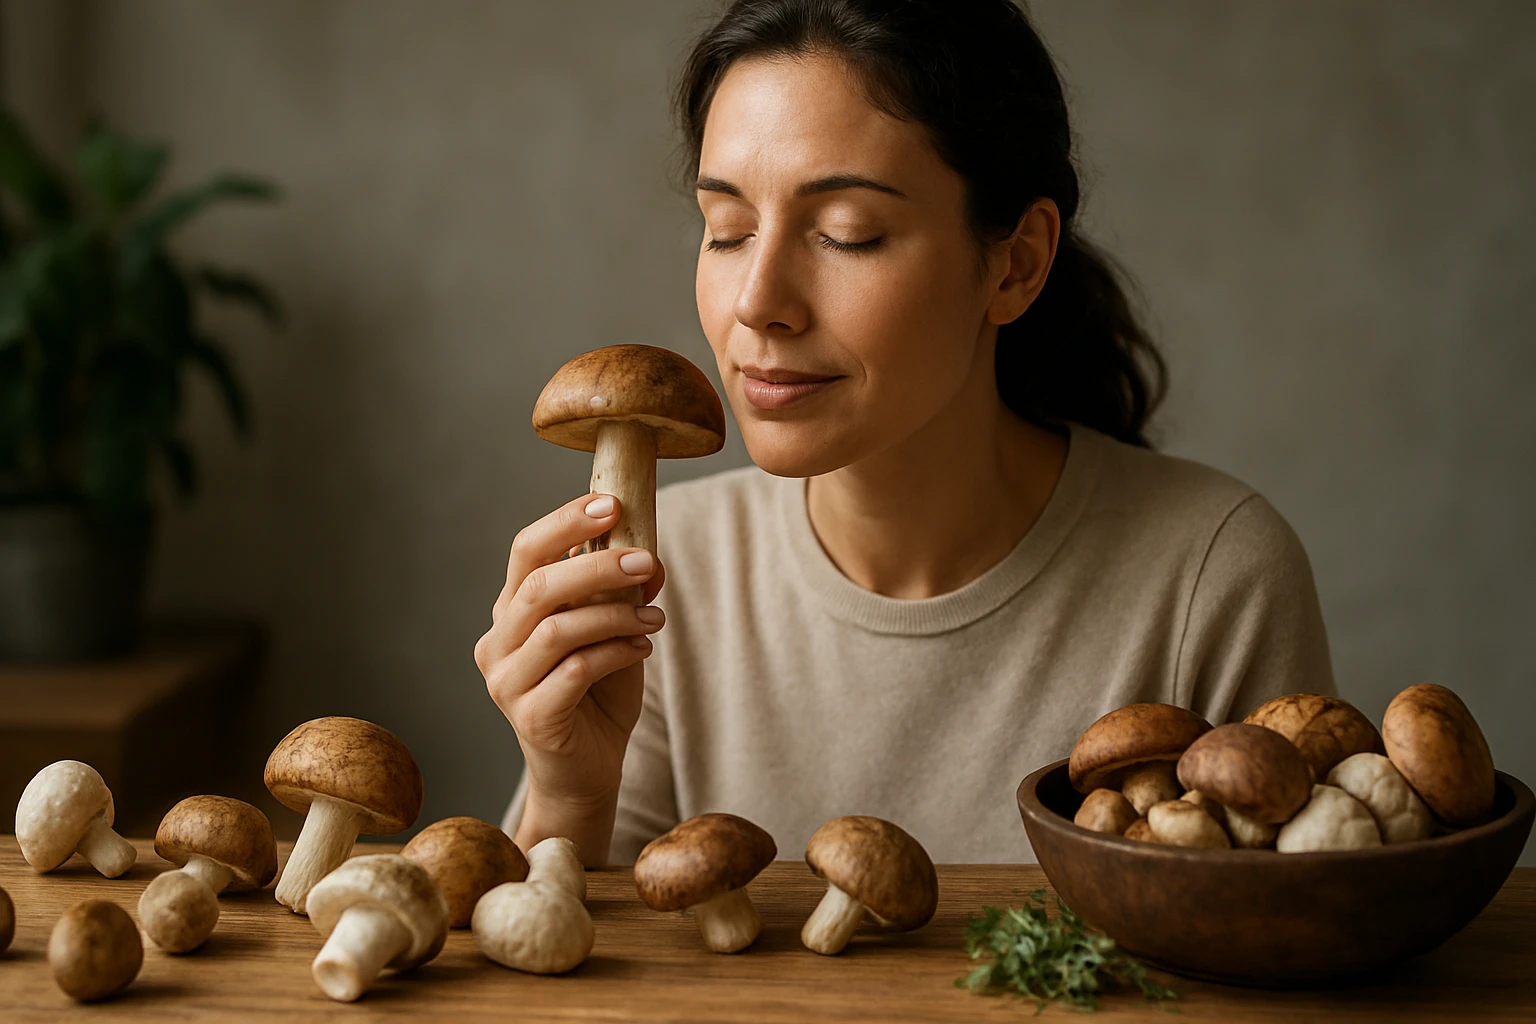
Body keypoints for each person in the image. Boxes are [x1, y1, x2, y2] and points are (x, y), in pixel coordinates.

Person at [475, 0, 1334, 866]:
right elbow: (571, 966)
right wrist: (568, 788)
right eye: (727, 231)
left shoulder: (1213, 575)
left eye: (848, 234)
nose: (756, 303)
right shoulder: (660, 576)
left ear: (1017, 264)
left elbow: (1287, 949)